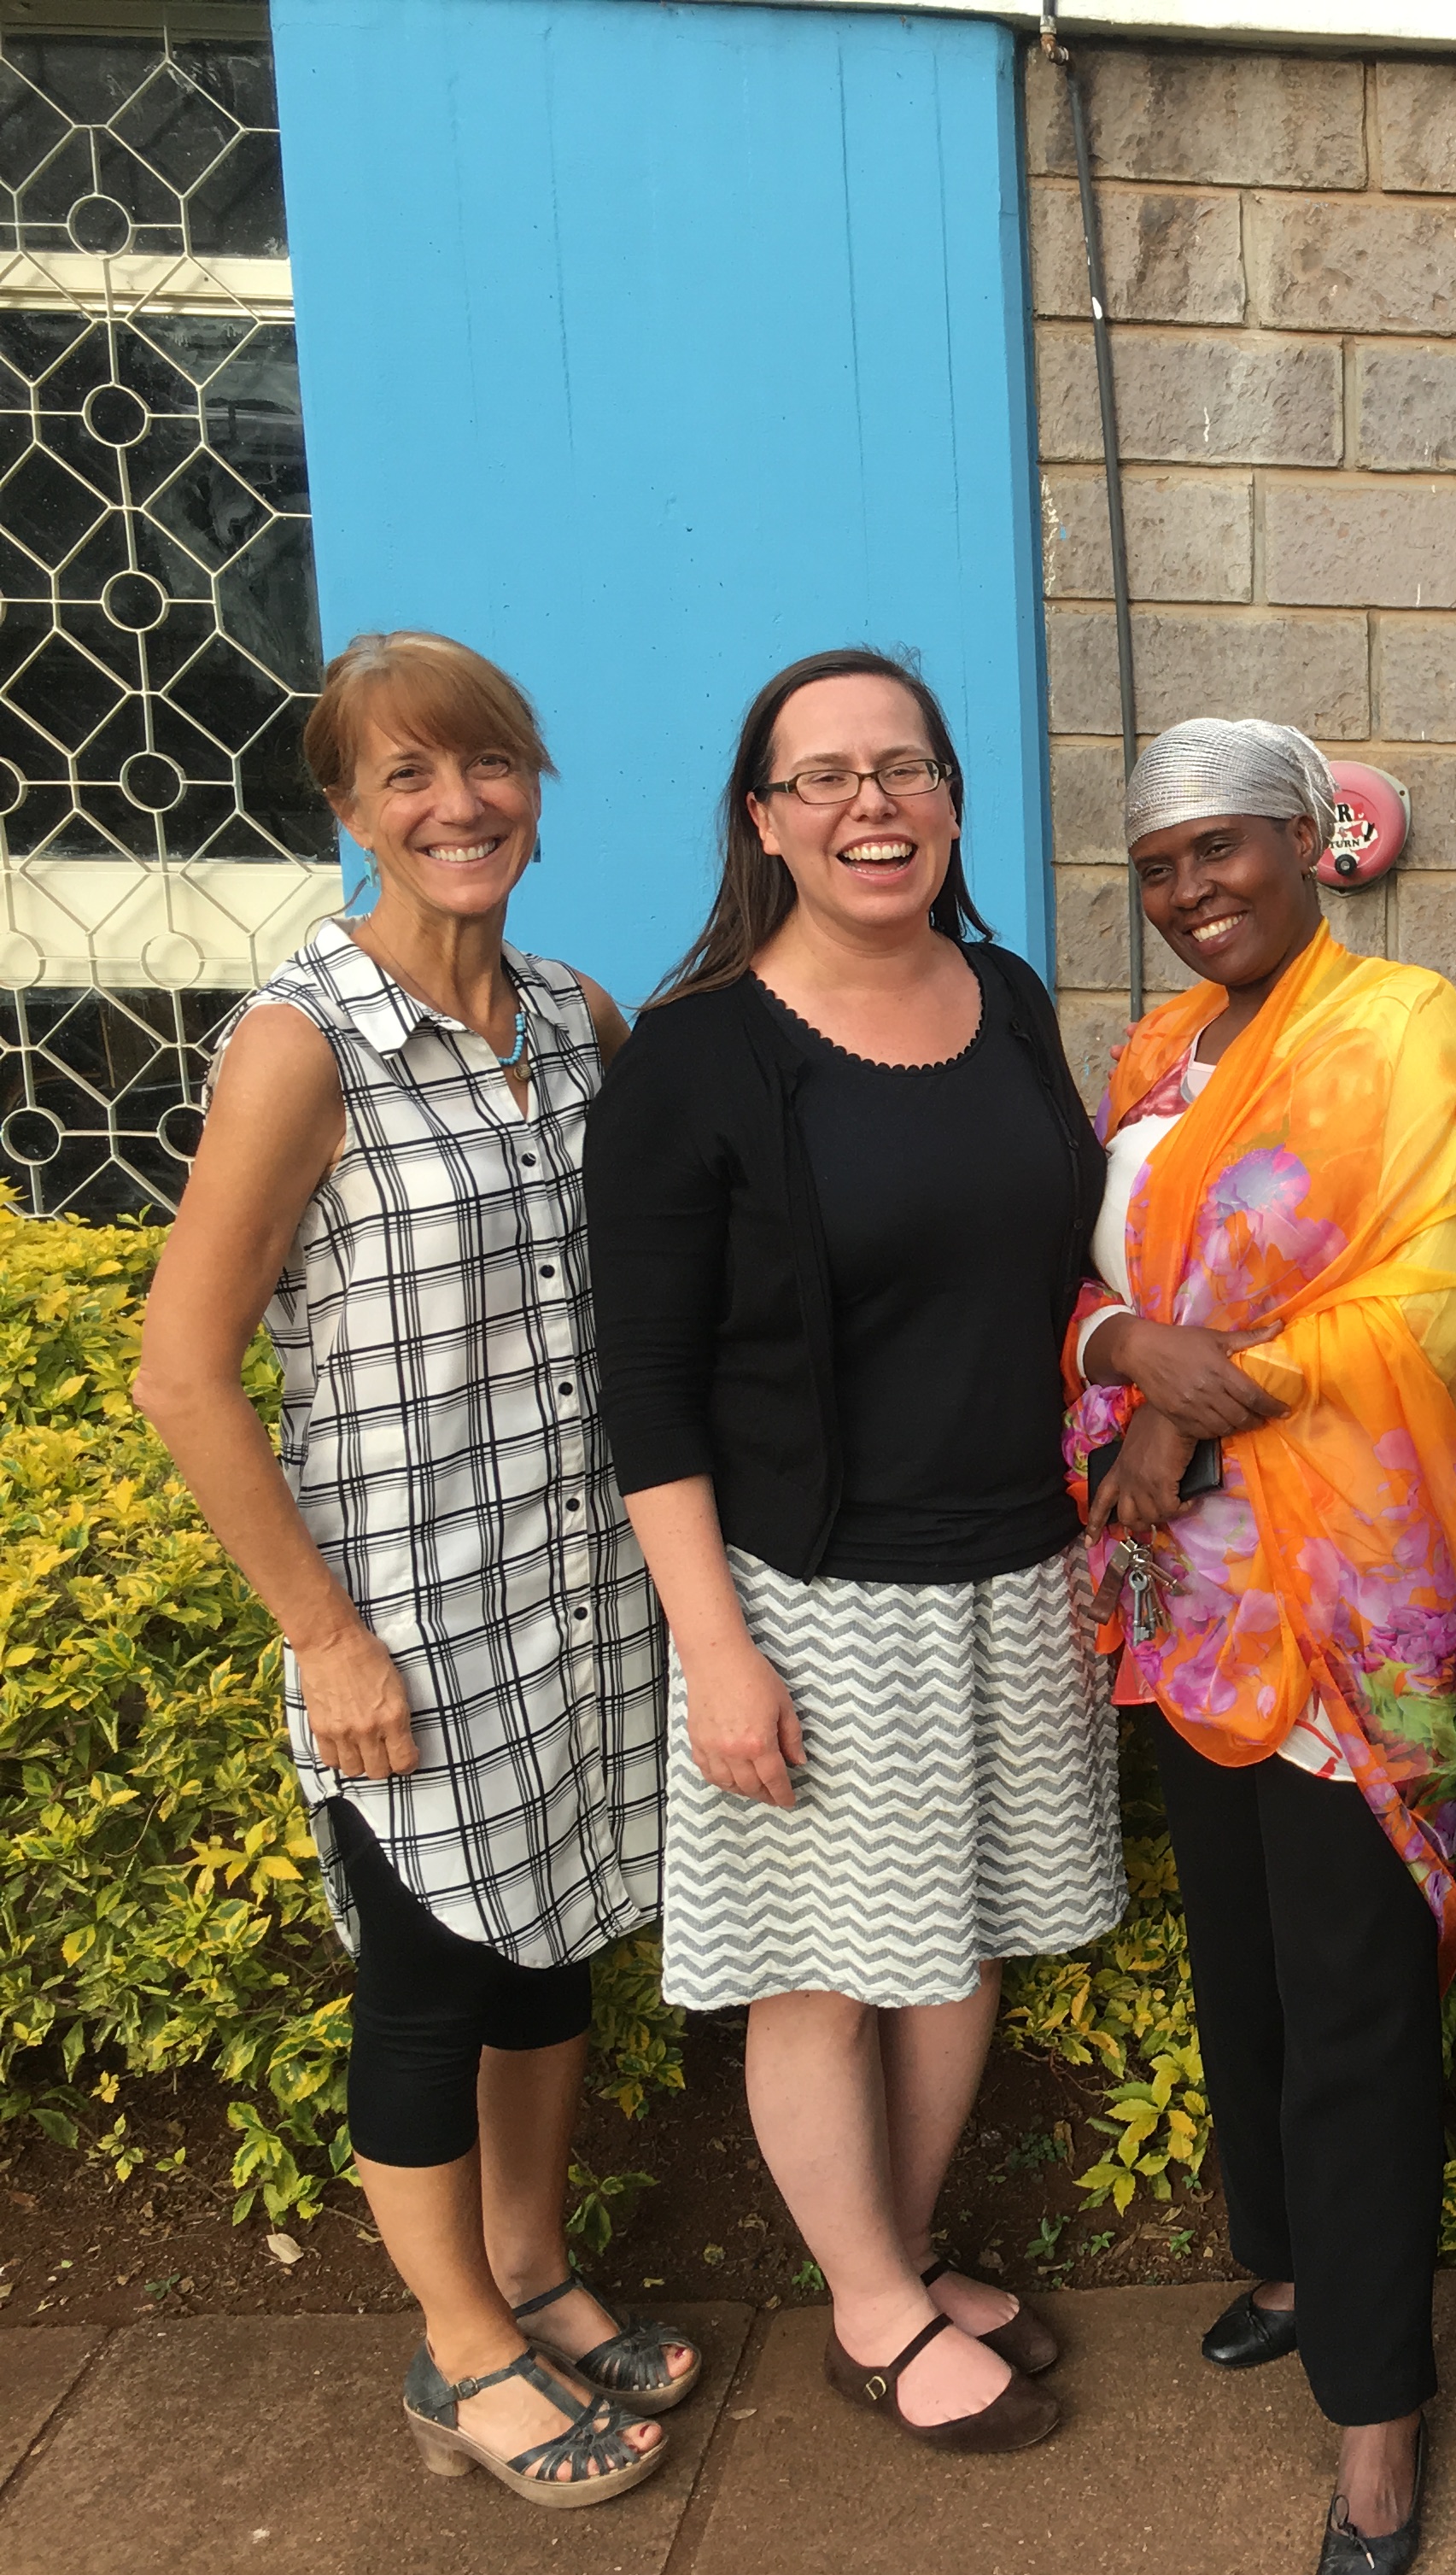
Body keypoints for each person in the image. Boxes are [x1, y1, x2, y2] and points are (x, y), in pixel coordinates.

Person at [134, 631, 690, 2508]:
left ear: (530, 779)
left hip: (576, 1597)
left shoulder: (574, 1016)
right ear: (350, 809)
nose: (456, 806)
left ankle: (529, 2270)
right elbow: (180, 1368)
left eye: (485, 767)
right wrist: (325, 1639)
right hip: (403, 1618)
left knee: (551, 1961)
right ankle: (459, 2354)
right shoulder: (309, 1039)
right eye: (405, 778)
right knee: (431, 1980)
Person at [589, 647, 1115, 2458]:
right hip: (812, 1592)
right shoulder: (701, 1058)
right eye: (822, 777)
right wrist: (717, 1648)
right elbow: (645, 1392)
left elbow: (1058, 1273)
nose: (869, 804)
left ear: (954, 800)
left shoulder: (1013, 999)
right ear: (764, 822)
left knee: (960, 1945)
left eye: (903, 768)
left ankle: (890, 2256)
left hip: (1017, 1570)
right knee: (822, 1966)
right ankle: (875, 2312)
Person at [1065, 717, 1456, 2575]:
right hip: (1184, 1612)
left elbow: (1443, 1286)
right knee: (1240, 1976)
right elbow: (1080, 1280)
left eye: (1219, 852)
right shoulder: (1156, 1055)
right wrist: (1117, 1362)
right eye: (1159, 867)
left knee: (1348, 2010)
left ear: (1311, 843)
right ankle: (1297, 2272)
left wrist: (1201, 1399)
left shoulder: (1402, 1028)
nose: (1189, 892)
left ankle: (1380, 2425)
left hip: (1343, 1604)